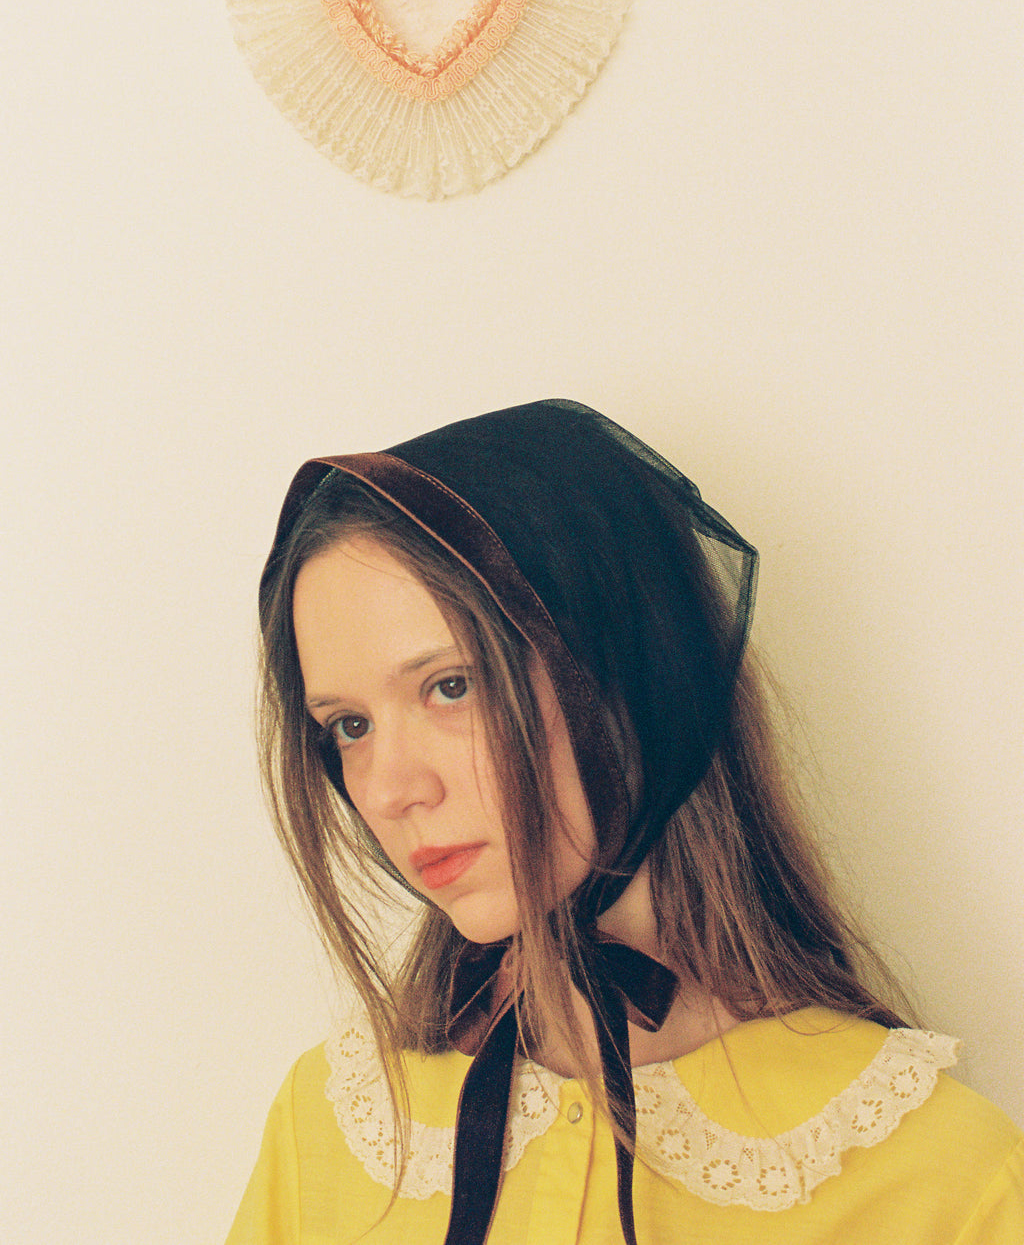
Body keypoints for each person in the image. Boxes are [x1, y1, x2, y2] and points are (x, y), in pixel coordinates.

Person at [227, 399, 1023, 1244]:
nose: (388, 789)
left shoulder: (933, 1171)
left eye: (451, 686)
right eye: (348, 726)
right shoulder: (334, 1130)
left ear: (629, 677)